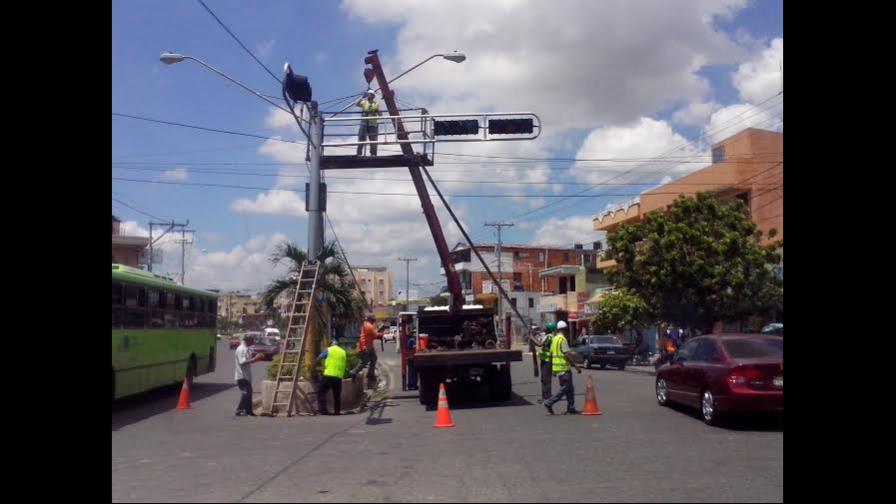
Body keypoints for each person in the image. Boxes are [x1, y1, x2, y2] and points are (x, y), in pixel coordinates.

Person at [544, 320, 582, 415]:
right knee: (565, 389)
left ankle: (571, 407)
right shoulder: (562, 339)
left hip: (557, 368)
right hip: (564, 368)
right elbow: (567, 355)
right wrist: (576, 366)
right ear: (564, 329)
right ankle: (549, 402)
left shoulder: (555, 339)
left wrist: (553, 370)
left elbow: (551, 354)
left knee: (570, 389)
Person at [234, 333, 266, 417]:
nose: (253, 342)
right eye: (252, 340)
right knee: (245, 393)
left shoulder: (247, 349)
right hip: (241, 375)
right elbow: (242, 362)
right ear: (247, 340)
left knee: (249, 392)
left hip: (246, 375)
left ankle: (248, 411)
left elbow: (249, 360)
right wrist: (255, 359)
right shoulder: (241, 349)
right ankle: (239, 410)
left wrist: (257, 358)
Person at [316, 337, 347, 415]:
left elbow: (319, 358)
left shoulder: (328, 350)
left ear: (331, 344)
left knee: (321, 392)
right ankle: (337, 411)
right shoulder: (343, 352)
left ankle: (323, 411)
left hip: (329, 375)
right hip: (338, 376)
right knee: (337, 395)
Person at [349, 314, 382, 387]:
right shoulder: (369, 326)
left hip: (368, 347)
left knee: (374, 358)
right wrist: (380, 335)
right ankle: (354, 372)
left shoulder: (366, 324)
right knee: (364, 361)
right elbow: (374, 335)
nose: (374, 321)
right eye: (373, 320)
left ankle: (370, 374)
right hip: (366, 347)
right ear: (371, 320)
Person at [528, 322, 556, 403]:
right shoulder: (547, 336)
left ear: (549, 329)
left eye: (546, 327)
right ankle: (545, 397)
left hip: (547, 361)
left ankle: (547, 398)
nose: (544, 328)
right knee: (543, 379)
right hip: (544, 360)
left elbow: (540, 344)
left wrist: (532, 337)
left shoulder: (549, 337)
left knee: (546, 380)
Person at [355, 89, 381, 156]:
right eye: (369, 94)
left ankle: (373, 154)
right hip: (364, 122)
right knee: (361, 138)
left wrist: (377, 111)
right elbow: (356, 104)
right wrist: (362, 97)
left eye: (370, 94)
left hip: (372, 123)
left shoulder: (376, 104)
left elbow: (380, 114)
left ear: (373, 96)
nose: (369, 96)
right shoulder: (364, 102)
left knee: (373, 139)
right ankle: (359, 153)